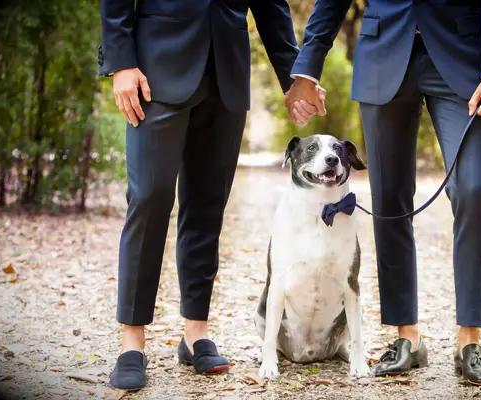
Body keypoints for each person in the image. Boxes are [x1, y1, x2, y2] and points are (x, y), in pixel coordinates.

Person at [286, 0, 481, 385]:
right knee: (390, 199)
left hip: (464, 62)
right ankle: (406, 336)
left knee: (474, 190)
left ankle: (470, 341)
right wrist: (307, 69)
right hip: (383, 57)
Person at [99, 0, 308, 390]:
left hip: (226, 70)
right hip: (154, 68)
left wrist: (295, 75)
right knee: (149, 199)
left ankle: (195, 332)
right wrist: (120, 61)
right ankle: (132, 341)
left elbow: (271, 5)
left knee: (208, 204)